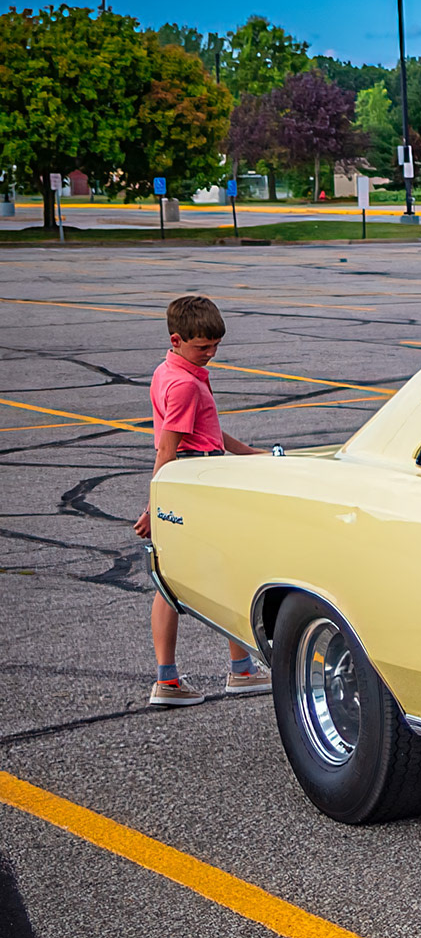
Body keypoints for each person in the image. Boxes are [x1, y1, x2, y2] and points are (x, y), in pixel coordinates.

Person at [132, 296, 271, 707]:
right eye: (202, 347)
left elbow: (208, 432)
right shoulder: (185, 384)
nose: (210, 355)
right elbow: (167, 449)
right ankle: (234, 672)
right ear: (176, 339)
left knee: (170, 581)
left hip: (194, 474)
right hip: (196, 482)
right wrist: (153, 509)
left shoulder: (172, 370)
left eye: (215, 346)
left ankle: (177, 678)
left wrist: (251, 454)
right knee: (226, 573)